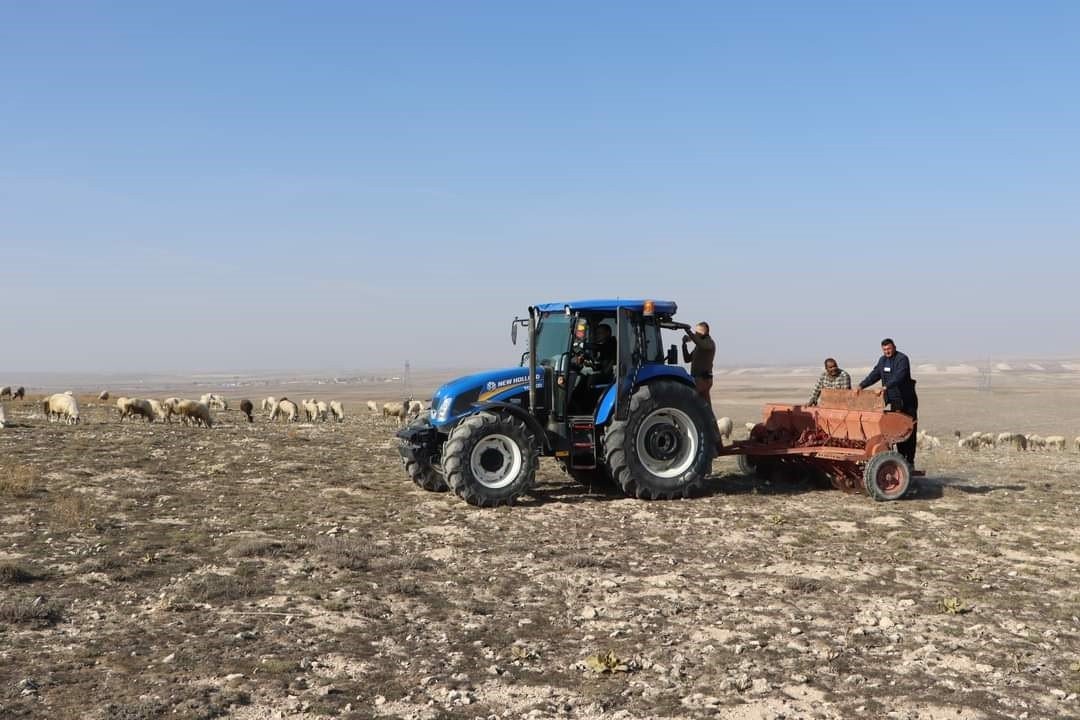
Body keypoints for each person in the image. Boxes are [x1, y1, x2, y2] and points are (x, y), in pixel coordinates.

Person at [855, 338, 919, 465]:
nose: (887, 351)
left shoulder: (902, 359)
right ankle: (897, 459)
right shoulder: (882, 360)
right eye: (884, 350)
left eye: (889, 349)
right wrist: (862, 385)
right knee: (894, 431)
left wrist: (885, 387)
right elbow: (875, 374)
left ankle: (909, 461)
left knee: (907, 431)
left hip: (906, 400)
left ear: (894, 347)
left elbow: (899, 376)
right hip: (893, 401)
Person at [682, 322, 716, 404]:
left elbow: (701, 344)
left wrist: (688, 331)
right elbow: (687, 359)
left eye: (698, 331)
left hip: (703, 379)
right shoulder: (699, 346)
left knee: (690, 401)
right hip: (697, 379)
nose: (696, 333)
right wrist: (684, 345)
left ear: (704, 332)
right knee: (705, 405)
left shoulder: (709, 343)